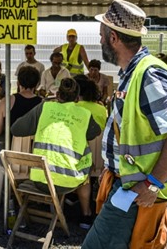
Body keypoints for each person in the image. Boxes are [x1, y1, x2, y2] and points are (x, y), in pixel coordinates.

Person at [82, 0, 167, 249]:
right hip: (131, 188)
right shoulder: (134, 72)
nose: (99, 42)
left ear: (113, 39)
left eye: (102, 36)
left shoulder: (149, 74)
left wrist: (152, 184)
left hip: (137, 191)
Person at [11, 78, 101, 230]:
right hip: (69, 181)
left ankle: (66, 202)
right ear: (77, 98)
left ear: (57, 95)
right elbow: (95, 132)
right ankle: (86, 215)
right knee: (85, 164)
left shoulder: (45, 108)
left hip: (41, 180)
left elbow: (16, 129)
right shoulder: (84, 114)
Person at [0, 66, 43, 173]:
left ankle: (4, 180)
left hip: (11, 154)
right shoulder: (43, 104)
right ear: (37, 84)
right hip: (36, 155)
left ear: (18, 82)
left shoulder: (8, 101)